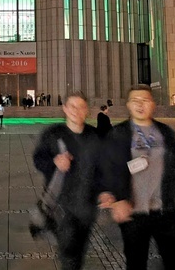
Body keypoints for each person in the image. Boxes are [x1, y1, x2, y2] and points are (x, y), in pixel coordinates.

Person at [99, 84, 175, 270]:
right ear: (128, 105)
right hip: (134, 213)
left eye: (145, 100)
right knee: (136, 262)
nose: (140, 105)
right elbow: (107, 169)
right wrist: (114, 198)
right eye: (135, 101)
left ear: (153, 104)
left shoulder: (166, 133)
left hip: (165, 211)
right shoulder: (118, 134)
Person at [33, 92, 102, 270]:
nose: (76, 111)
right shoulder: (53, 134)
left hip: (87, 206)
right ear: (64, 108)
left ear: (87, 110)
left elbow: (104, 167)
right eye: (72, 106)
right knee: (69, 255)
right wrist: (54, 162)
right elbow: (39, 159)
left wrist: (108, 192)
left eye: (80, 107)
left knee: (78, 253)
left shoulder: (95, 136)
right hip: (61, 206)